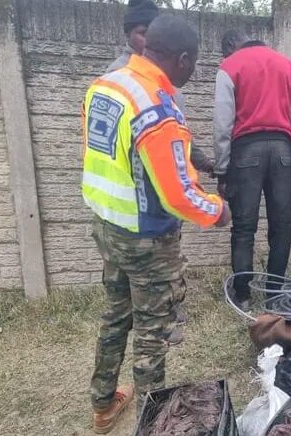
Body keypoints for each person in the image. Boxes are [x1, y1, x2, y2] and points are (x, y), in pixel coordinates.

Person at [82, 14, 230, 433]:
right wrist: (217, 210)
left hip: (107, 226)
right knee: (152, 336)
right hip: (146, 239)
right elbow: (177, 195)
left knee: (115, 317)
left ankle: (103, 404)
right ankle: (151, 424)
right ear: (182, 59)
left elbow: (120, 158)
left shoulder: (106, 85)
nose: (193, 70)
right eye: (194, 62)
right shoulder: (156, 107)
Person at [212, 33, 291, 310]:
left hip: (246, 152)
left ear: (232, 47)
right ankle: (274, 293)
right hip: (282, 151)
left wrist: (222, 170)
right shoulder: (286, 65)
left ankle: (243, 295)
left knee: (244, 228)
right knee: (282, 226)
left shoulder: (230, 66)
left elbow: (222, 123)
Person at [107, 0, 214, 175]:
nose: (149, 40)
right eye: (143, 33)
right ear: (128, 35)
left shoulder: (164, 73)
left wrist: (202, 161)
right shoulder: (118, 76)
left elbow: (174, 129)